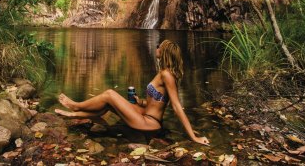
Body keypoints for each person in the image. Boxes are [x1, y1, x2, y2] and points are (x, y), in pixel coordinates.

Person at [55, 40, 210, 145]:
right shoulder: (162, 72)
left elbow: (176, 106)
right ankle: (75, 114)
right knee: (109, 105)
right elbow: (156, 103)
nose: (156, 48)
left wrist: (194, 137)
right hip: (144, 113)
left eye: (159, 46)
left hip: (150, 123)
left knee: (109, 94)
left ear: (164, 52)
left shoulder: (167, 75)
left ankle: (76, 106)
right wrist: (139, 101)